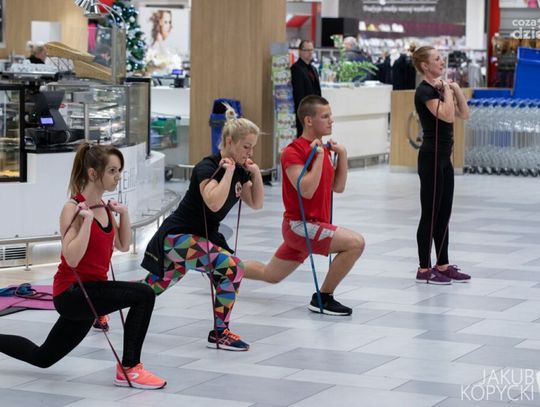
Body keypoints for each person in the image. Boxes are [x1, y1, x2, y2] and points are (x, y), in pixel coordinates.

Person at [0, 143, 166, 390]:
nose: (118, 177)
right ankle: (130, 368)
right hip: (71, 293)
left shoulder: (105, 208)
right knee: (144, 294)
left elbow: (123, 245)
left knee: (43, 357)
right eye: (112, 171)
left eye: (119, 171)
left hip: (91, 294)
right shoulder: (72, 208)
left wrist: (124, 214)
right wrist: (86, 222)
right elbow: (72, 259)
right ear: (92, 173)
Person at [140, 117, 264, 351]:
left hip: (199, 239)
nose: (250, 152)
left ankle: (101, 305)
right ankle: (220, 333)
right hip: (176, 237)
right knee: (233, 267)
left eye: (253, 147)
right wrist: (228, 173)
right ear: (229, 141)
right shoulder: (207, 167)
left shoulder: (240, 170)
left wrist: (255, 173)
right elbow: (214, 203)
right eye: (246, 146)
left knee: (151, 287)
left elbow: (256, 203)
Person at [244, 95, 364, 316]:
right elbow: (306, 190)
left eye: (330, 116)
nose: (331, 121)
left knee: (270, 275)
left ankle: (223, 268)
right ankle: (323, 298)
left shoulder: (323, 149)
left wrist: (342, 154)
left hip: (311, 227)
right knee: (355, 243)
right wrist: (318, 158)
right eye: (325, 116)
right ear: (309, 121)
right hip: (300, 226)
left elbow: (338, 187)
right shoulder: (293, 151)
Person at [410, 44, 471, 285]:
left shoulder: (440, 88)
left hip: (445, 158)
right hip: (431, 157)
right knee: (430, 214)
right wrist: (446, 89)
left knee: (444, 213)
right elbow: (446, 115)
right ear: (425, 65)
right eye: (437, 59)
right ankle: (424, 268)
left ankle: (443, 265)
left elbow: (463, 114)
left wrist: (455, 89)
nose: (442, 62)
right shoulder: (424, 91)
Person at [291, 40, 321, 138]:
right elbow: (299, 95)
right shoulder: (296, 69)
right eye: (306, 50)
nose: (310, 52)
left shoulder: (313, 68)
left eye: (311, 50)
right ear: (300, 51)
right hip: (304, 113)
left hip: (314, 111)